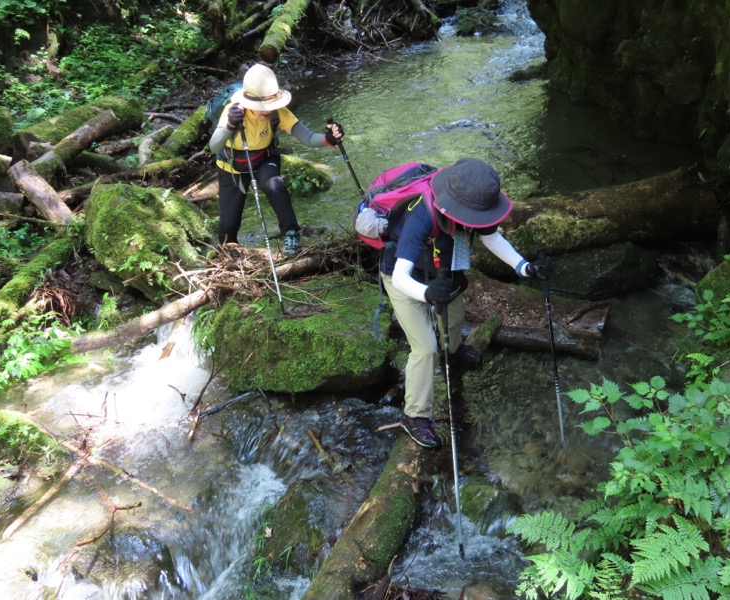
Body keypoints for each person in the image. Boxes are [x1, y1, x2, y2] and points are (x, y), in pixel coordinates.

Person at [380, 157, 554, 448]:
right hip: (404, 279)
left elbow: (492, 238)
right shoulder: (421, 215)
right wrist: (426, 294)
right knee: (425, 348)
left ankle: (454, 350)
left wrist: (524, 267)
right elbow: (400, 277)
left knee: (455, 317)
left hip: (445, 273)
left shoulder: (475, 206)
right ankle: (415, 416)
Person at [208, 63, 344, 254]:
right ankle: (229, 250)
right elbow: (214, 146)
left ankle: (291, 234)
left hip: (264, 159)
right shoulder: (233, 111)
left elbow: (307, 138)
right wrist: (230, 124)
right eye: (263, 106)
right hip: (232, 167)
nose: (268, 110)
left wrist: (329, 139)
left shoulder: (278, 112)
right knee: (228, 226)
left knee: (274, 185)